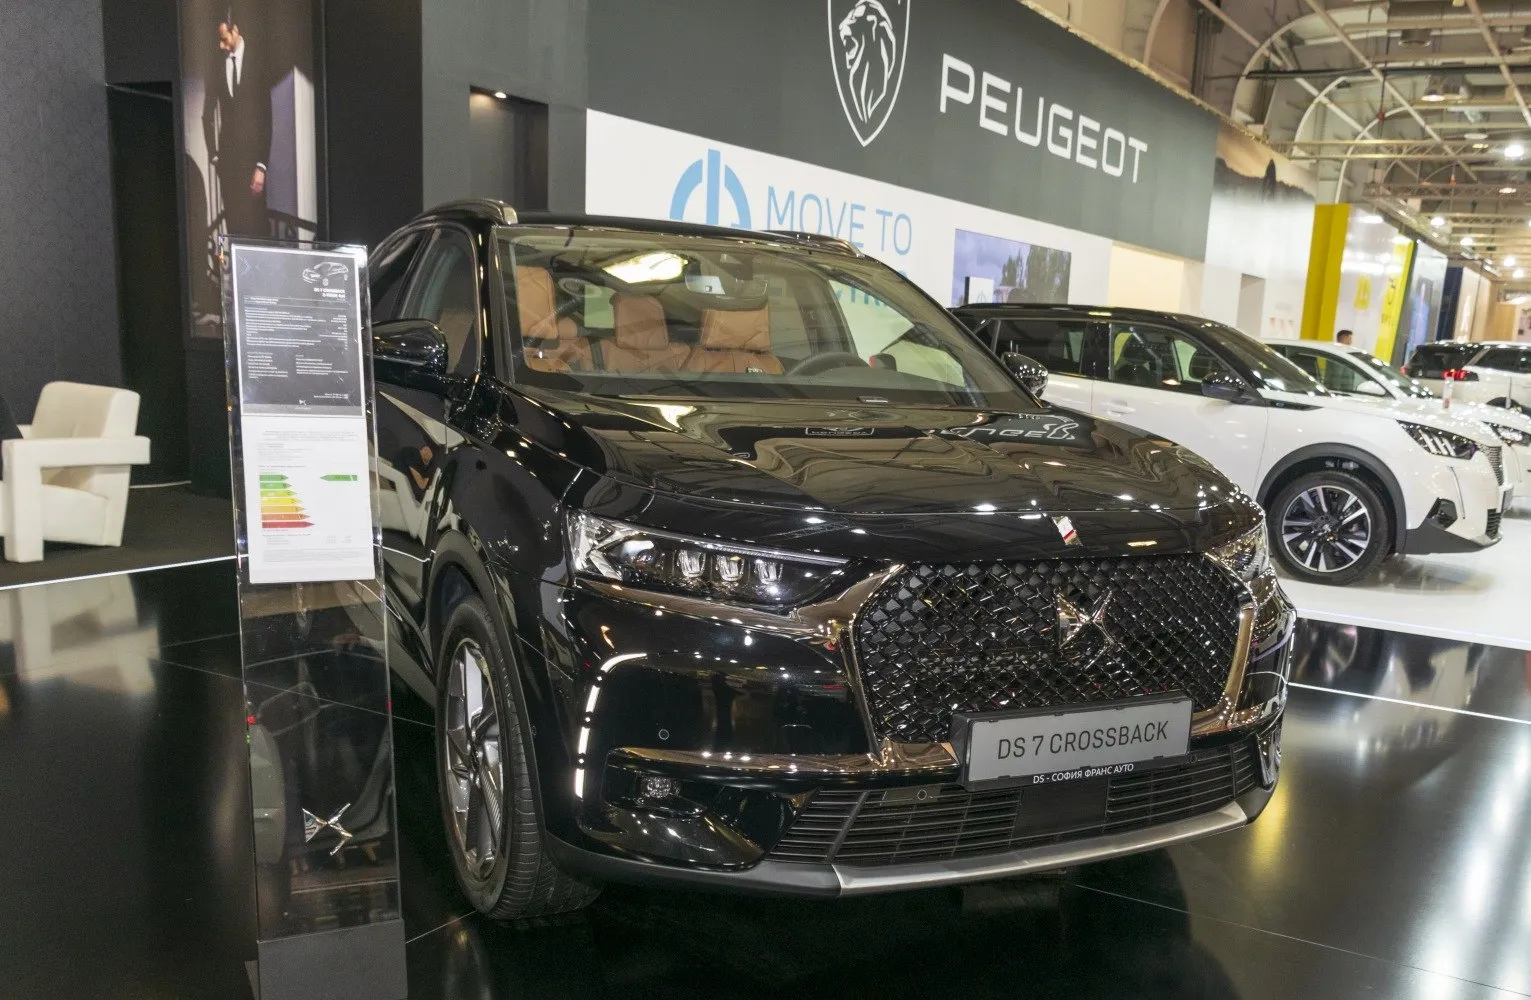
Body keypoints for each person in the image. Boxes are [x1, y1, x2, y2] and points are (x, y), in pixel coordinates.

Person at [202, 5, 271, 237]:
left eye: (224, 39)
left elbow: (267, 118)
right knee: (234, 227)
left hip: (253, 164)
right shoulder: (217, 66)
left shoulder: (258, 60)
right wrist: (214, 155)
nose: (221, 46)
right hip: (228, 165)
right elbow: (206, 115)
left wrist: (261, 166)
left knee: (258, 227)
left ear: (236, 30)